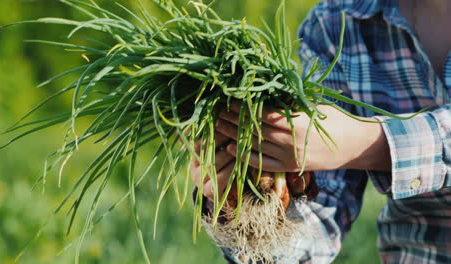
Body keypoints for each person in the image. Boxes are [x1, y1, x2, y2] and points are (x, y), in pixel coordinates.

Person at [191, 0, 451, 263]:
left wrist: (366, 143)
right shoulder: (336, 23)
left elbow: (344, 144)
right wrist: (242, 200)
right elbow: (316, 225)